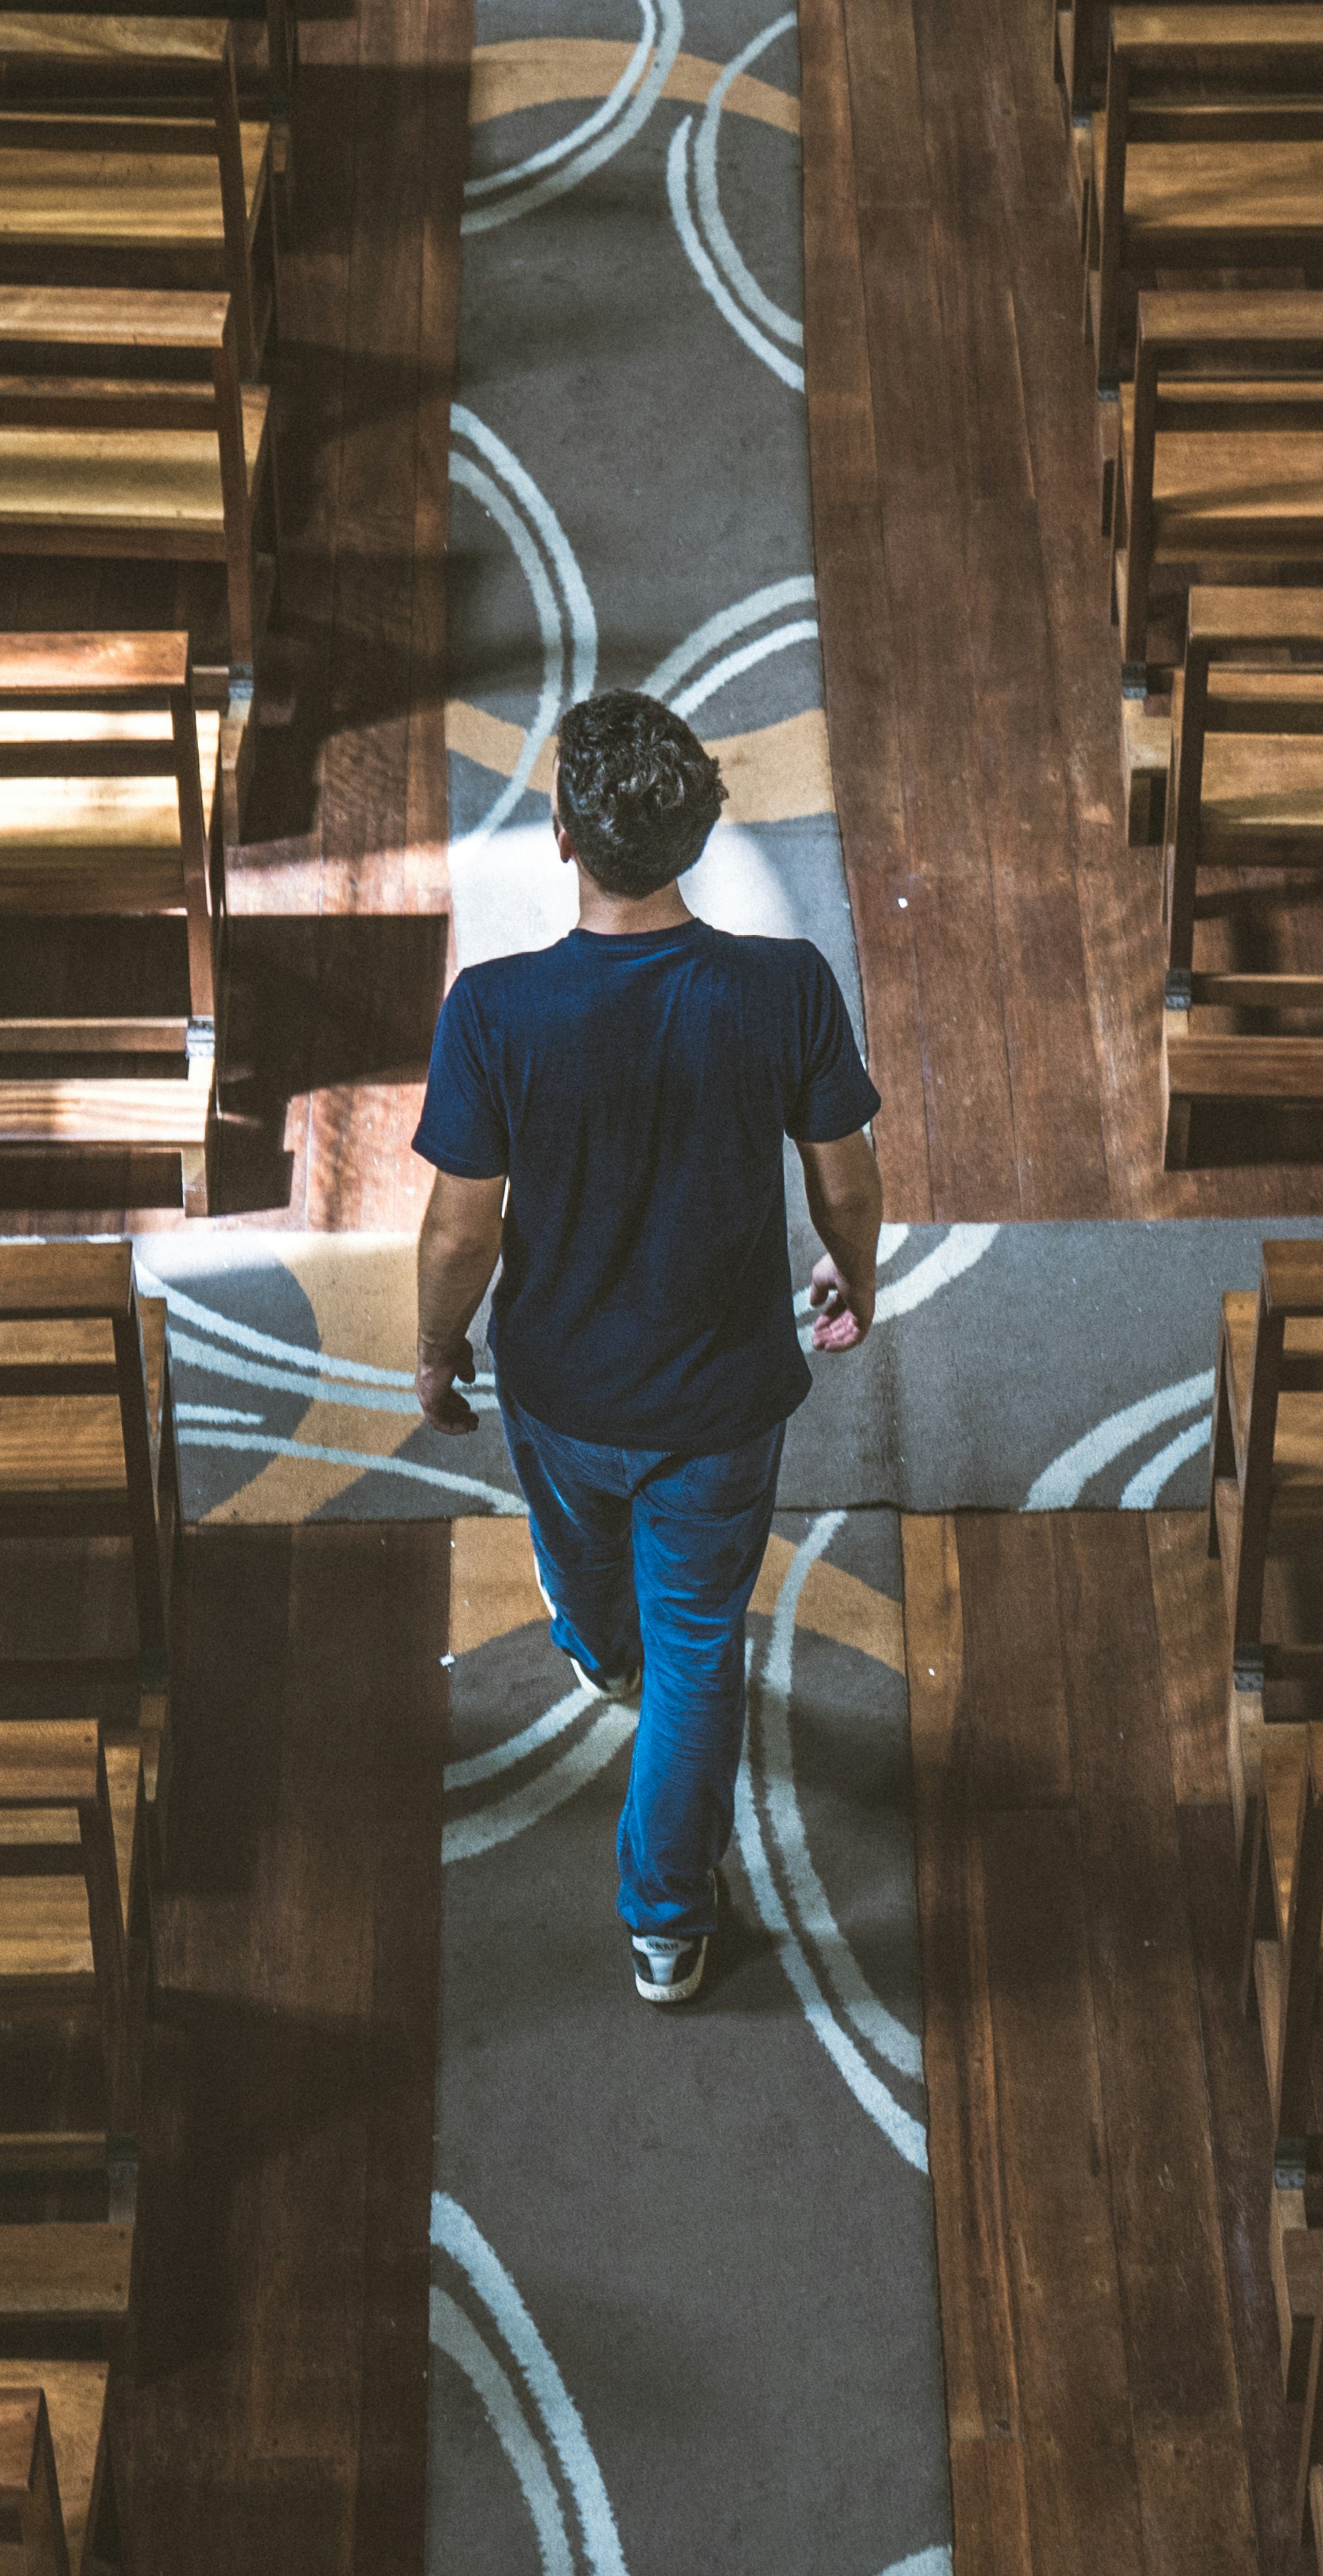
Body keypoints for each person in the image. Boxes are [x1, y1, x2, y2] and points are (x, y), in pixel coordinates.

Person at [411, 689, 886, 2007]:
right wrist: (855, 1274)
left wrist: (434, 1351)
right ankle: (667, 1924)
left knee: (584, 1556)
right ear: (697, 829)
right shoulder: (783, 986)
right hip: (723, 1401)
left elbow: (460, 1230)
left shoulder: (495, 1010)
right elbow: (844, 1180)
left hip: (559, 1381)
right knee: (703, 1653)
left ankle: (592, 1640)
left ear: (563, 836)